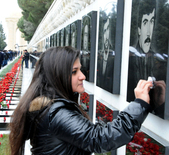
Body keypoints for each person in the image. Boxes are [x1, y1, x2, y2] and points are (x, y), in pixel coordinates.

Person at [9, 46, 153, 155]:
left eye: (80, 70)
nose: (82, 76)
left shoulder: (50, 106)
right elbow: (102, 139)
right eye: (74, 72)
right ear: (58, 75)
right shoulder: (57, 113)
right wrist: (139, 104)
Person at [97, 18, 115, 92]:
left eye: (108, 30)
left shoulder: (113, 59)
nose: (106, 35)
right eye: (104, 31)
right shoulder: (101, 59)